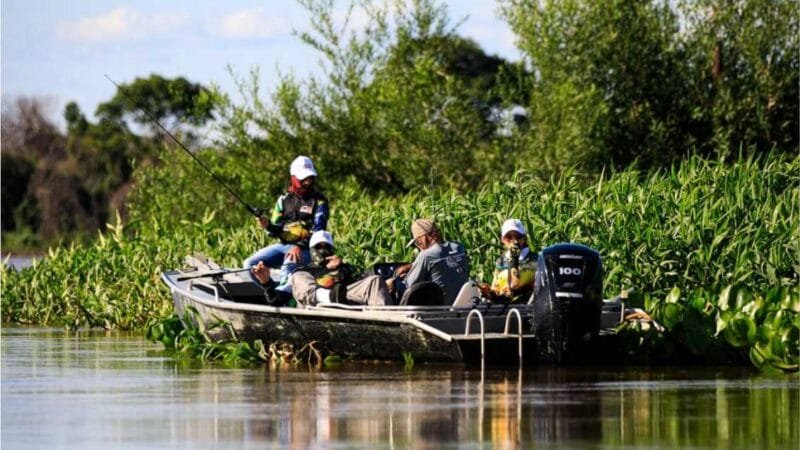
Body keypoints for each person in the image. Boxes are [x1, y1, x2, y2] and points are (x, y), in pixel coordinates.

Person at [244, 156, 329, 290]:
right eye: (303, 179)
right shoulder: (283, 200)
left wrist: (299, 246)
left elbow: (319, 232)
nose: (307, 182)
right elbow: (275, 230)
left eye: (310, 178)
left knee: (288, 264)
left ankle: (282, 297)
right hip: (284, 246)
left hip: (309, 250)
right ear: (293, 178)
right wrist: (268, 226)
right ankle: (273, 292)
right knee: (249, 264)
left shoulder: (320, 201)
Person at [285, 231, 393, 307]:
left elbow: (358, 281)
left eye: (326, 247)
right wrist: (326, 269)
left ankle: (386, 323)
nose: (323, 250)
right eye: (318, 247)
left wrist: (344, 267)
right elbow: (292, 289)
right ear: (311, 250)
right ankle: (328, 297)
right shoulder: (306, 270)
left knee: (375, 280)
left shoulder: (342, 267)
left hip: (344, 298)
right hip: (316, 304)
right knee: (297, 276)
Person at [394, 219, 470, 305]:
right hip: (461, 305)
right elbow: (444, 263)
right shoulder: (459, 248)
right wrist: (413, 265)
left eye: (417, 243)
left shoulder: (426, 255)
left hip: (438, 308)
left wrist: (394, 282)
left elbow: (408, 286)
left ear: (422, 238)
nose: (418, 247)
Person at [478, 219, 536, 303]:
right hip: (504, 306)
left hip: (524, 306)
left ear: (524, 238)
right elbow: (496, 288)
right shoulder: (501, 261)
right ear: (502, 239)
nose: (514, 240)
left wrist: (514, 258)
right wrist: (488, 292)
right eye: (509, 237)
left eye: (518, 236)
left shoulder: (533, 260)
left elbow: (514, 285)